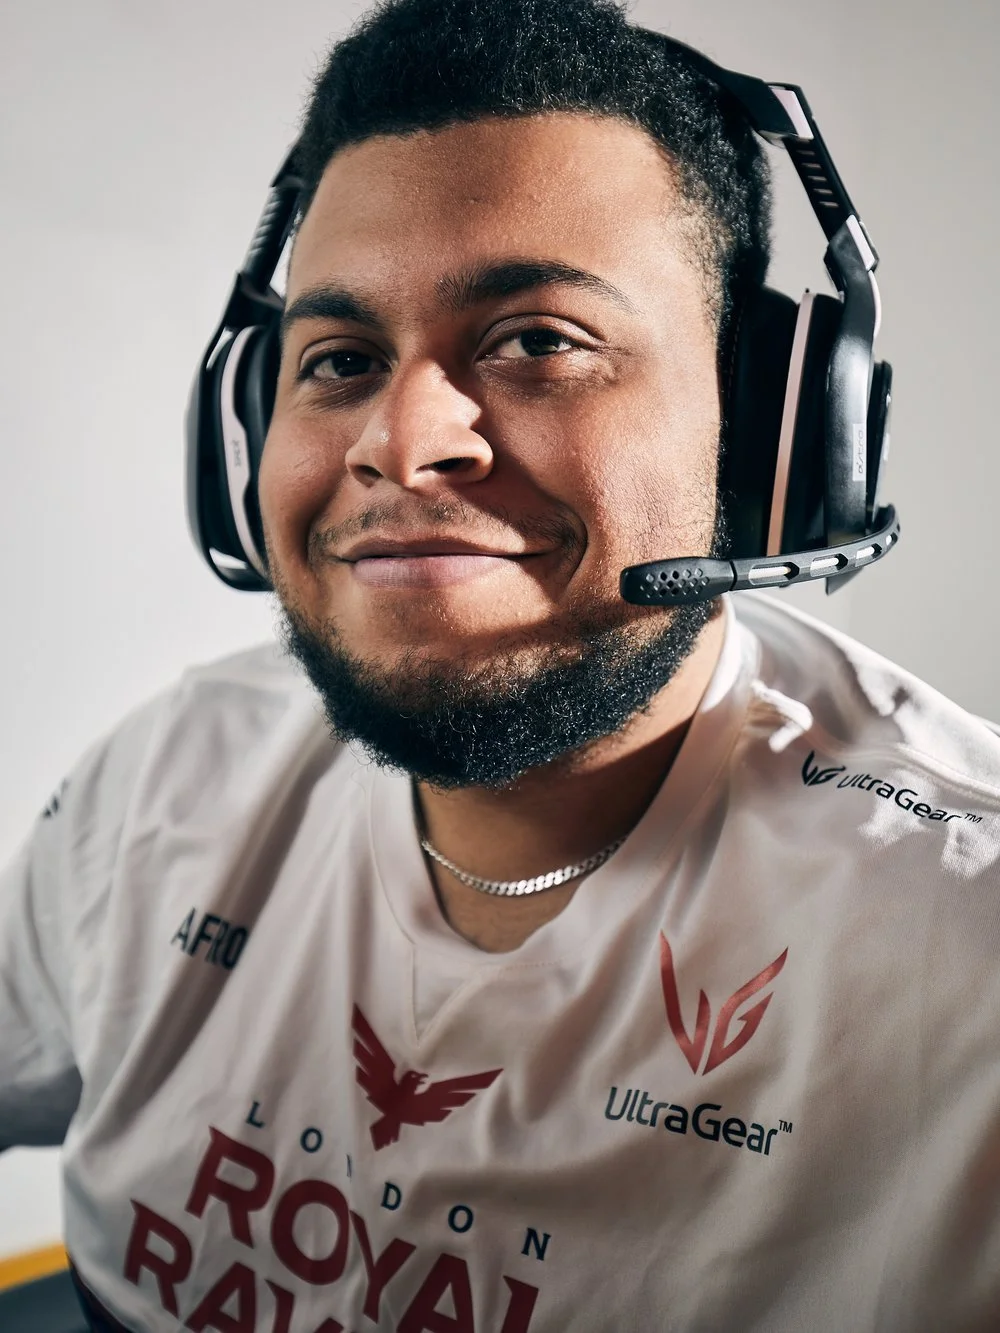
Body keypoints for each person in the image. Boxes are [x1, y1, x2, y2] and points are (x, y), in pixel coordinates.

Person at [2, 0, 999, 1329]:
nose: (401, 441)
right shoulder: (166, 781)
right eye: (340, 360)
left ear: (768, 433)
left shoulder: (968, 959)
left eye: (538, 340)